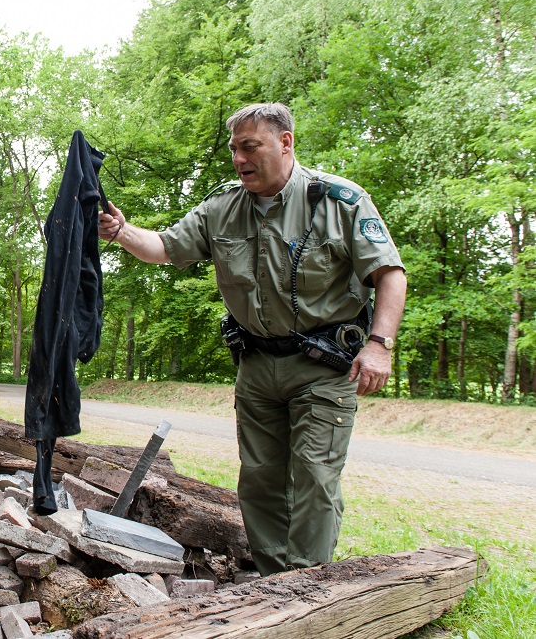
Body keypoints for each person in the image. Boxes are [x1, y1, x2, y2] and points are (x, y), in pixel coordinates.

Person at [98, 103, 406, 575]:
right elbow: (163, 247)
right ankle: (270, 580)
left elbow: (389, 273)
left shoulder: (339, 201)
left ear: (285, 142)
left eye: (250, 147)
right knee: (260, 479)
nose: (239, 159)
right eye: (234, 149)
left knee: (314, 478)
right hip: (257, 366)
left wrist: (379, 343)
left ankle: (306, 584)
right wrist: (121, 232)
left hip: (325, 366)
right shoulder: (223, 206)